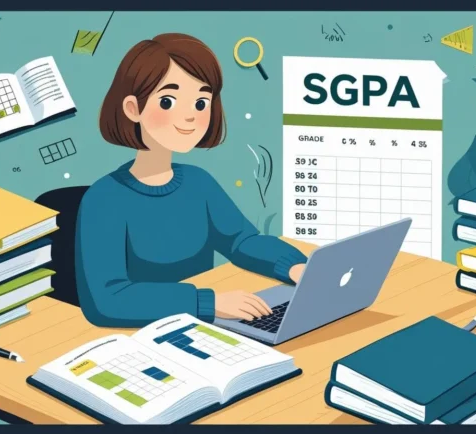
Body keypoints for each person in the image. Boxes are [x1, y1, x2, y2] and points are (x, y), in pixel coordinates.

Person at [75, 33, 307, 328]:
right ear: (133, 108)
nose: (189, 116)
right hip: (140, 337)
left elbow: (242, 241)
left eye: (200, 103)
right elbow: (107, 300)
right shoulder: (104, 199)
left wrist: (295, 266)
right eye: (168, 100)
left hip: (202, 327)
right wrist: (209, 303)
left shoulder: (199, 183)